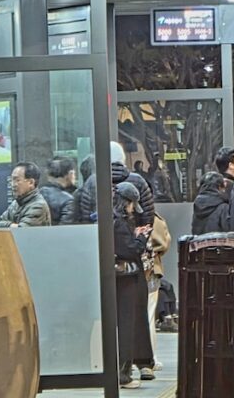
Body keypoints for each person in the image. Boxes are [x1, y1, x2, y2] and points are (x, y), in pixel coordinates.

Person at [112, 182, 154, 389]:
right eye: (130, 206)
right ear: (125, 203)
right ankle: (123, 374)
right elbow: (130, 250)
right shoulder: (119, 224)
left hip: (122, 281)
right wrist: (141, 238)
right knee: (128, 326)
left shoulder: (110, 221)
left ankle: (124, 371)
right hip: (128, 281)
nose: (132, 211)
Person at [75, 142, 155, 225]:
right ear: (122, 158)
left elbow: (85, 214)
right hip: (132, 233)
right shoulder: (138, 181)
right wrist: (139, 237)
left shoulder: (92, 181)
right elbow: (148, 215)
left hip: (99, 235)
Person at [144, 212, 171, 378]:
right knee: (148, 315)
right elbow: (163, 243)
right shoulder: (153, 218)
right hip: (149, 270)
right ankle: (150, 357)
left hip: (123, 271)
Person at [0, 162, 52, 227]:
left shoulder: (38, 205)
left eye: (17, 180)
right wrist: (12, 225)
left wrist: (10, 225)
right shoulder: (16, 203)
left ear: (31, 182)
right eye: (12, 180)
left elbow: (22, 231)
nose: (13, 184)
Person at [41, 156, 76, 225]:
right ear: (70, 174)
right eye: (74, 173)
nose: (74, 176)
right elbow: (64, 230)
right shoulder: (68, 200)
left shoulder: (37, 194)